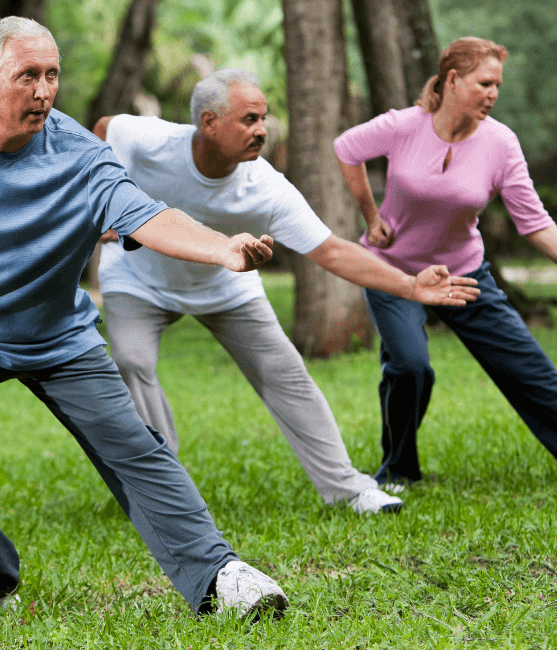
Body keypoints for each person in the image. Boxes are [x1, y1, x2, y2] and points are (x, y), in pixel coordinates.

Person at [0, 17, 288, 619]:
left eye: (52, 74)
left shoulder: (80, 155)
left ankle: (220, 574)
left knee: (135, 446)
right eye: (27, 75)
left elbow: (146, 214)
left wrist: (223, 248)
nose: (44, 90)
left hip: (55, 334)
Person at [92, 70, 482, 516]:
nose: (262, 129)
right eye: (249, 119)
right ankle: (164, 492)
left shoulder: (265, 187)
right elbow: (104, 128)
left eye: (264, 118)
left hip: (225, 284)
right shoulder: (151, 140)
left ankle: (349, 489)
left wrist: (410, 285)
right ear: (209, 122)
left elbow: (333, 252)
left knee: (287, 375)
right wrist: (103, 199)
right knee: (132, 361)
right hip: (138, 278)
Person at [333, 36, 557, 489]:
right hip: (395, 271)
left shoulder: (500, 143)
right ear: (453, 79)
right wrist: (371, 214)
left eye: (498, 85)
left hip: (465, 272)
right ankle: (398, 471)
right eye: (485, 83)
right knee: (409, 366)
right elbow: (346, 149)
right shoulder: (404, 126)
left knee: (528, 368)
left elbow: (534, 222)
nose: (493, 94)